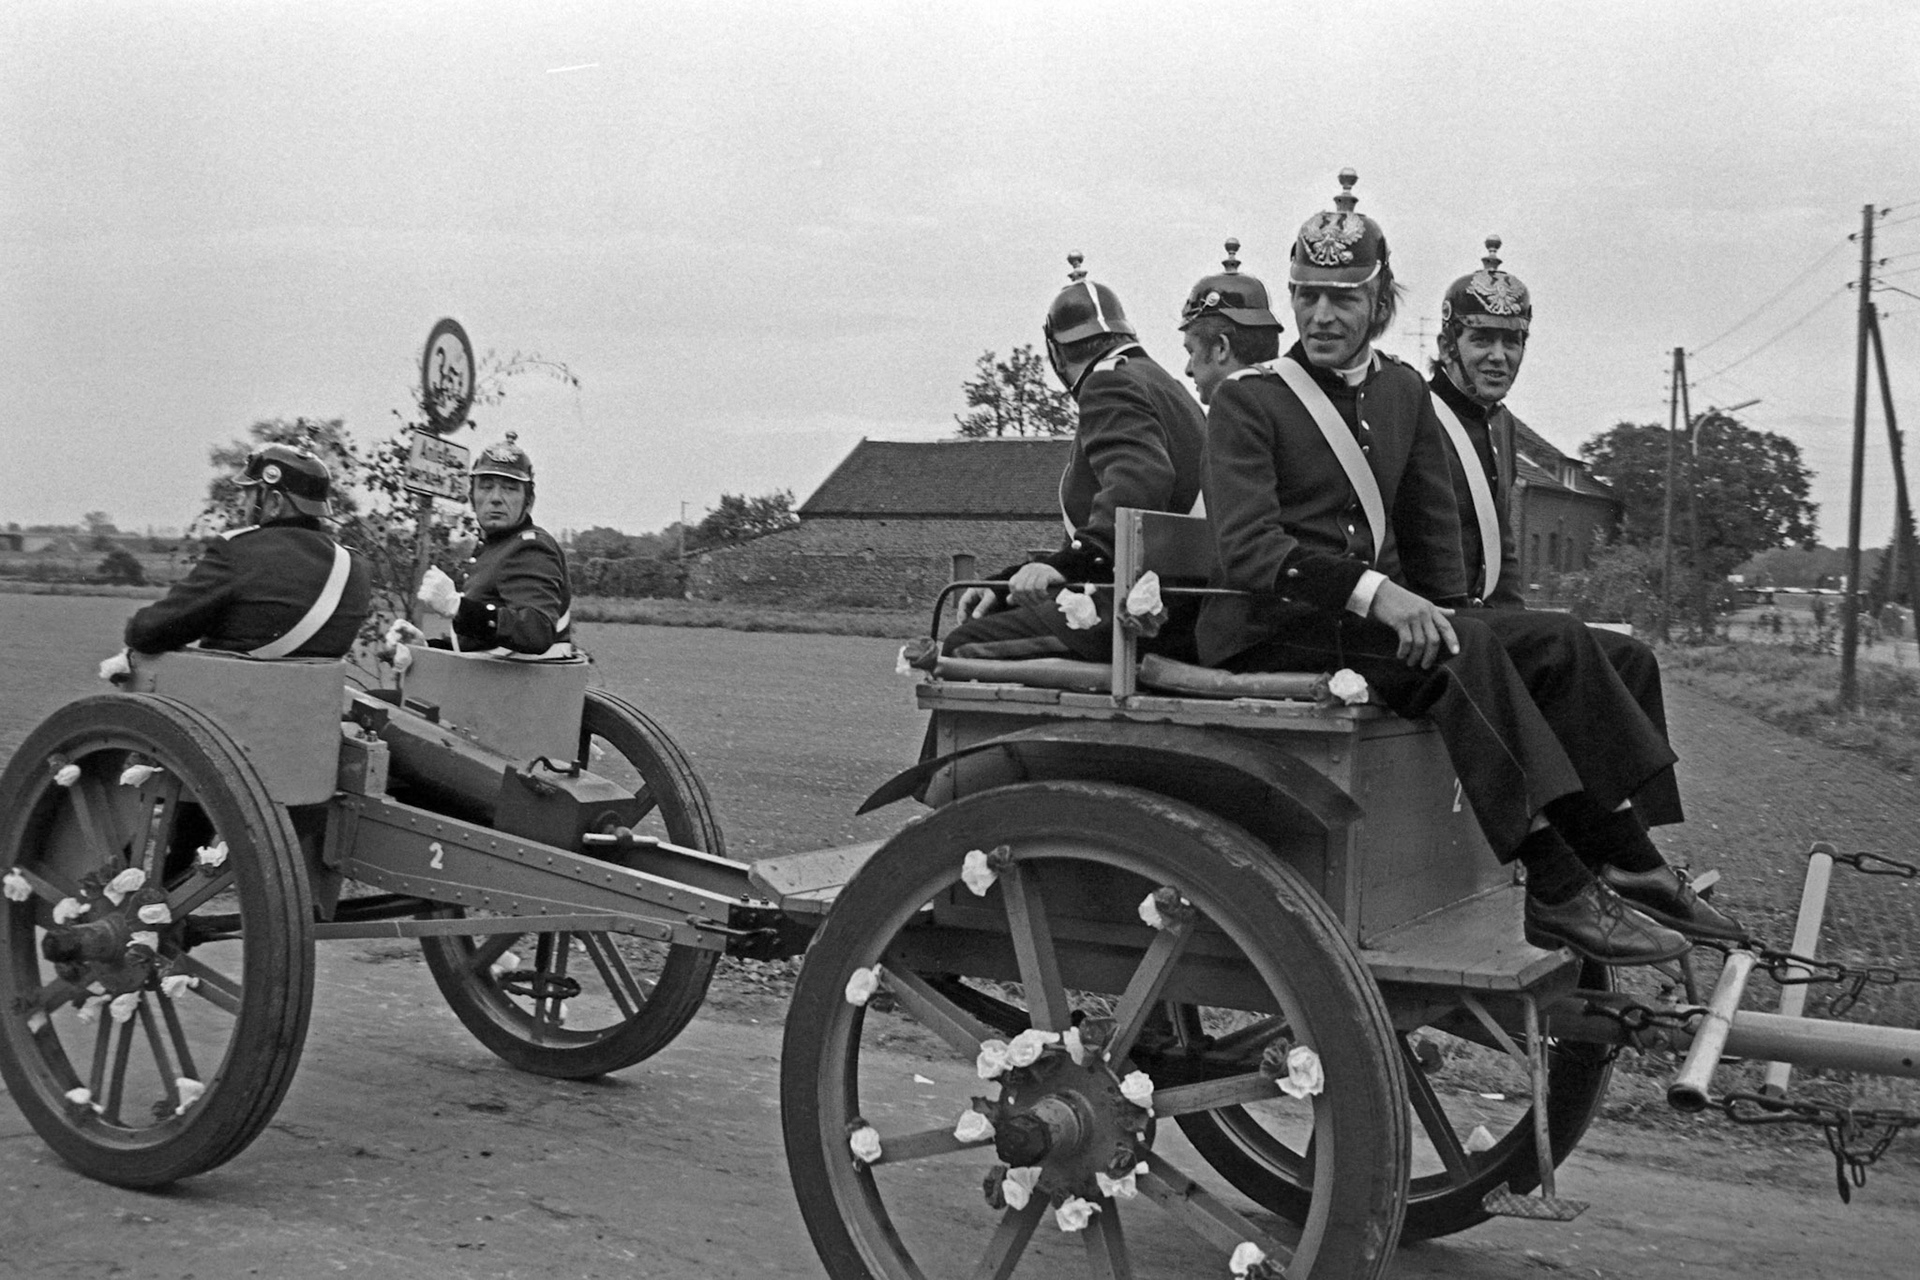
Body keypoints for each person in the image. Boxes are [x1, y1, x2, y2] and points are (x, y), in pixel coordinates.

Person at [1189, 171, 1700, 965]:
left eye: (1344, 297)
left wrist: (1459, 612)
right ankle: (1558, 887)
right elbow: (1250, 553)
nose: (1323, 315)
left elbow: (1436, 554)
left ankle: (1628, 856)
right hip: (1275, 627)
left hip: (1367, 624)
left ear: (1378, 299)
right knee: (1469, 650)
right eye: (1308, 295)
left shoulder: (1400, 391)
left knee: (1568, 642)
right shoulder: (1251, 400)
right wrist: (1383, 597)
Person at [1424, 237, 1736, 940]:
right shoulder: (1421, 413)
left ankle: (1624, 858)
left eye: (1514, 340)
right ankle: (1616, 854)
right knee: (1561, 639)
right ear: (1447, 343)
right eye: (1482, 338)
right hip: (1430, 617)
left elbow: (1497, 560)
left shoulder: (1494, 426)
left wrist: (1511, 621)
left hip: (1478, 613)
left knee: (1631, 657)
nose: (1499, 356)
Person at [935, 254, 1207, 663]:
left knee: (962, 646)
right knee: (998, 609)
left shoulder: (1108, 383)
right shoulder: (1164, 384)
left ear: (1056, 354)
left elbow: (1140, 483)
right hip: (1180, 602)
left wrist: (1077, 560)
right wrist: (1007, 582)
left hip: (1145, 614)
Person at [122, 444, 371, 661]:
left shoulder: (238, 551)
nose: (243, 505)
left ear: (274, 502)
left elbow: (149, 632)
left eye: (249, 494)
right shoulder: (354, 566)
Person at [417, 431, 574, 657]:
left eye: (510, 488)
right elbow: (483, 646)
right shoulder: (495, 547)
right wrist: (422, 647)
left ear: (529, 502)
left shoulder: (530, 548)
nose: (496, 497)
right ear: (472, 498)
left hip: (524, 689)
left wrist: (457, 606)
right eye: (486, 486)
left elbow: (536, 631)